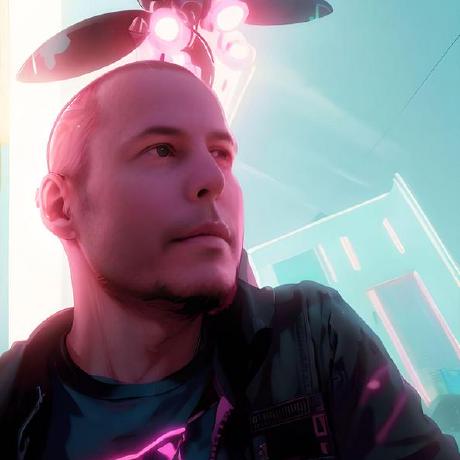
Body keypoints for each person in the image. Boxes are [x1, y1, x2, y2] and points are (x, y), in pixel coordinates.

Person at [0, 60, 459, 460]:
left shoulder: (310, 336)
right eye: (162, 149)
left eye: (221, 154)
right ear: (60, 206)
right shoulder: (10, 400)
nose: (213, 178)